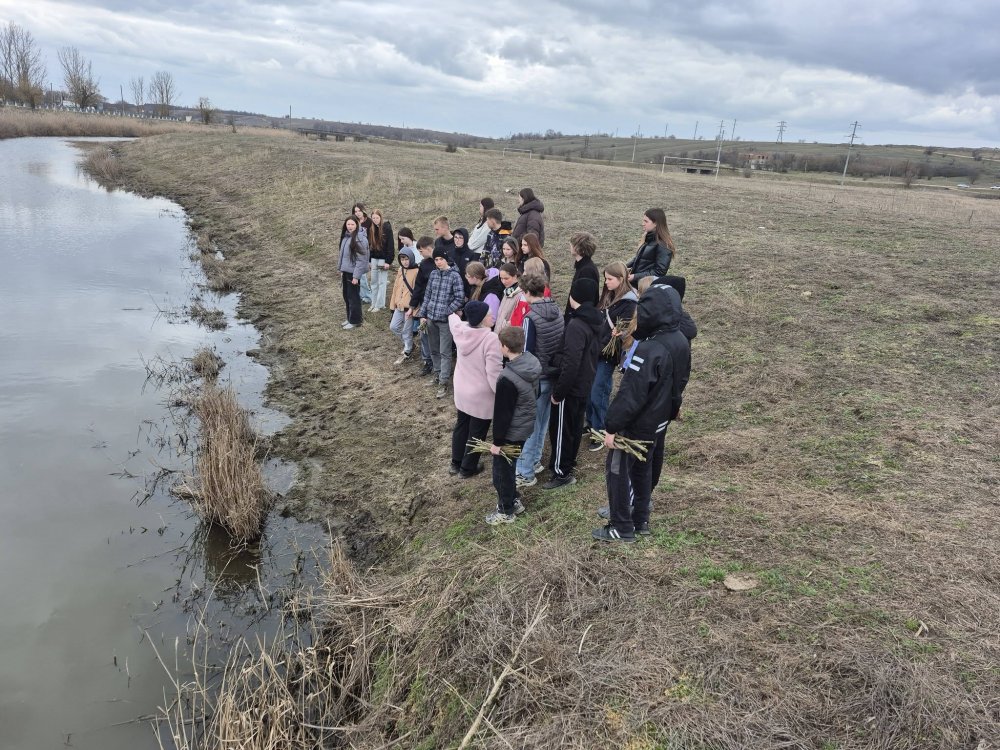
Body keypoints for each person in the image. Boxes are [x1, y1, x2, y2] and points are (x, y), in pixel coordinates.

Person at [592, 283, 689, 542]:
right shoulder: (680, 340)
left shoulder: (649, 350)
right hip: (659, 420)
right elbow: (681, 381)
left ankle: (621, 526)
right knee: (643, 469)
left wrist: (612, 426)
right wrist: (672, 409)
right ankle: (641, 519)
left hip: (636, 425)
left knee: (618, 471)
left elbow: (632, 393)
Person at [544, 277, 606, 489]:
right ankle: (569, 462)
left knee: (561, 429)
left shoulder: (576, 325)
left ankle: (561, 472)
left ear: (575, 296)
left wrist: (558, 393)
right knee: (574, 427)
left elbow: (571, 363)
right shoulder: (596, 320)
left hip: (570, 388)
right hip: (584, 384)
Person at [485, 326, 541, 525]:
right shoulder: (532, 363)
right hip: (525, 426)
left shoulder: (507, 378)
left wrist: (497, 442)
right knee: (510, 466)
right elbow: (538, 393)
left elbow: (503, 413)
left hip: (511, 431)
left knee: (501, 472)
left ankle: (505, 510)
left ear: (506, 348)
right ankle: (513, 499)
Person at [514, 272, 564, 488]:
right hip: (553, 374)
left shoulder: (530, 318)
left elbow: (525, 352)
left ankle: (525, 472)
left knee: (529, 426)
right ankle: (534, 461)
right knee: (542, 422)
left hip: (536, 378)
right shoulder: (557, 311)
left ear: (527, 292)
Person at [448, 300, 502, 478]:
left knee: (461, 424)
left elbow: (452, 319)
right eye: (489, 315)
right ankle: (467, 468)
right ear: (481, 319)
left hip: (462, 389)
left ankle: (455, 463)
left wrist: (455, 314)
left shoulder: (461, 330)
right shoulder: (491, 339)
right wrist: (502, 395)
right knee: (477, 432)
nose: (492, 317)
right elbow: (493, 373)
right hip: (481, 395)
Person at [419, 246, 466, 398]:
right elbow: (427, 295)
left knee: (445, 351)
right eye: (436, 259)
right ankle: (438, 374)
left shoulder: (455, 276)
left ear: (446, 259)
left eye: (441, 259)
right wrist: (423, 314)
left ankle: (444, 382)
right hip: (431, 318)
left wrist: (447, 311)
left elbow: (459, 298)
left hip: (445, 321)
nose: (438, 262)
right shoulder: (433, 274)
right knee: (434, 349)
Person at [407, 236, 437, 375]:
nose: (420, 254)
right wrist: (412, 306)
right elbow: (418, 286)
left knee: (436, 337)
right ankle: (427, 361)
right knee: (424, 334)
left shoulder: (442, 262)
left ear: (428, 248)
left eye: (421, 251)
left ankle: (438, 364)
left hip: (438, 306)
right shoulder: (424, 265)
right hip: (425, 305)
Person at [626, 208, 676, 283]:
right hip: (636, 282)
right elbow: (638, 259)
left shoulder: (663, 245)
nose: (643, 224)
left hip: (645, 286)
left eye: (646, 221)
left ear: (655, 223)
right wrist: (622, 268)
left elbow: (659, 272)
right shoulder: (649, 239)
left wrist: (634, 277)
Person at [389, 246, 419, 364]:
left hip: (409, 308)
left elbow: (417, 292)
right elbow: (395, 288)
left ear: (411, 258)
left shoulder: (416, 271)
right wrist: (392, 306)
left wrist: (414, 309)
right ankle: (410, 344)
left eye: (406, 259)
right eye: (402, 259)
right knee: (393, 327)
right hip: (399, 306)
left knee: (407, 331)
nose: (405, 262)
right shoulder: (400, 270)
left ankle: (407, 351)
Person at [338, 215, 369, 329]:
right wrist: (342, 269)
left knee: (353, 297)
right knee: (346, 296)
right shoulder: (346, 236)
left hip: (353, 273)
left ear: (357, 225)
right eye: (348, 224)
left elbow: (362, 260)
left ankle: (356, 321)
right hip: (346, 272)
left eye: (352, 224)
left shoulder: (359, 239)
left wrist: (356, 276)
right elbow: (343, 256)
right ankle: (350, 318)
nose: (350, 226)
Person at [565, 232, 600, 320]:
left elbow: (585, 303)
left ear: (580, 248)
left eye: (572, 244)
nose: (570, 246)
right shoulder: (582, 267)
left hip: (579, 321)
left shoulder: (587, 271)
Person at [367, 209, 394, 311]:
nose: (375, 220)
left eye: (377, 218)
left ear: (381, 217)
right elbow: (370, 245)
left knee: (382, 282)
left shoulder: (387, 228)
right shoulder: (371, 229)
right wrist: (369, 260)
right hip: (374, 258)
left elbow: (390, 245)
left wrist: (388, 261)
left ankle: (380, 304)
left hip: (383, 259)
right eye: (373, 218)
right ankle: (373, 303)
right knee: (373, 282)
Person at [351, 203, 375, 304]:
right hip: (356, 251)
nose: (357, 213)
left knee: (363, 275)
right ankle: (363, 295)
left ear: (363, 211)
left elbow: (372, 238)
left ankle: (368, 296)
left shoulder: (369, 222)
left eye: (359, 211)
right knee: (359, 275)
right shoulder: (353, 222)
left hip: (366, 251)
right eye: (355, 211)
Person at [494, 263, 522, 334]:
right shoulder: (507, 291)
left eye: (506, 278)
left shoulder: (520, 294)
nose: (503, 281)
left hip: (508, 334)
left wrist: (506, 326)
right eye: (501, 278)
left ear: (515, 276)